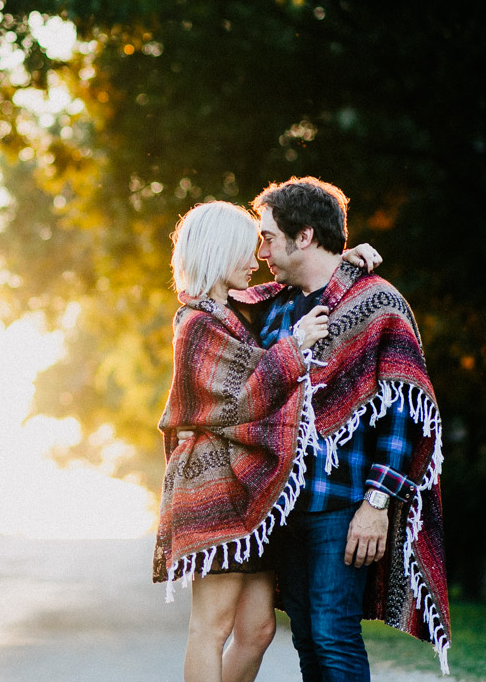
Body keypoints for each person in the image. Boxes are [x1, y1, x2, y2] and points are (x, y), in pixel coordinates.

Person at [153, 200, 380, 682]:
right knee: (210, 629)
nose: (256, 258)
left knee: (256, 631)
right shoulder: (195, 324)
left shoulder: (231, 311)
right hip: (211, 490)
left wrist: (340, 263)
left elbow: (293, 280)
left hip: (249, 496)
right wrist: (295, 347)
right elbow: (239, 398)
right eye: (245, 248)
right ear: (218, 252)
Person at [241, 177, 450, 680]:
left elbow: (405, 416)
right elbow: (219, 305)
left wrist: (376, 506)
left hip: (343, 506)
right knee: (310, 640)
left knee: (334, 636)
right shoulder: (276, 308)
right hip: (285, 507)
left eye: (268, 236)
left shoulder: (378, 303)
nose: (261, 249)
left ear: (305, 235)